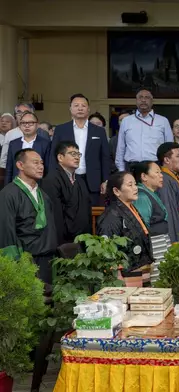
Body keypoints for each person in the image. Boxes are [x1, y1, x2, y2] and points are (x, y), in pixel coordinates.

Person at [0, 148, 57, 392]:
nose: (41, 166)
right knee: (26, 312)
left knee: (43, 312)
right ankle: (22, 361)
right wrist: (16, 266)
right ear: (20, 166)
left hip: (47, 259)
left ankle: (38, 359)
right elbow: (6, 231)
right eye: (35, 162)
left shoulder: (43, 194)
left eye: (42, 162)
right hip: (25, 260)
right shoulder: (9, 194)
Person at [49, 94, 110, 205]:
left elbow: (105, 157)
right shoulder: (61, 129)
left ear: (88, 109)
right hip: (66, 178)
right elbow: (54, 155)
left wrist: (105, 180)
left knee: (91, 213)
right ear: (70, 109)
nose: (80, 108)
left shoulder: (99, 131)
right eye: (76, 105)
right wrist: (54, 179)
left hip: (92, 179)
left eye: (83, 105)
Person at [97, 172, 153, 286]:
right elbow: (106, 251)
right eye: (130, 185)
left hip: (141, 268)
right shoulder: (111, 216)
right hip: (126, 275)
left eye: (135, 184)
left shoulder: (131, 208)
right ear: (116, 191)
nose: (135, 188)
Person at [41, 141, 92, 246]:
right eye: (73, 154)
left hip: (83, 237)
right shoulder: (51, 180)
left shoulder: (80, 180)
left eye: (78, 154)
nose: (77, 157)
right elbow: (55, 215)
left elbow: (86, 209)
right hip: (63, 239)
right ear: (60, 157)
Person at [131, 161, 171, 283]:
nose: (161, 175)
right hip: (154, 243)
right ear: (144, 177)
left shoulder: (150, 193)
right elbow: (143, 227)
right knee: (156, 281)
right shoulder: (142, 196)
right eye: (157, 172)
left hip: (160, 241)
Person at [115, 88, 173, 171]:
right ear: (136, 100)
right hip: (132, 167)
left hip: (155, 167)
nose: (143, 100)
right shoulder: (126, 121)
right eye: (140, 97)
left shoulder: (163, 121)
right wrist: (121, 170)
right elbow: (120, 148)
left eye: (147, 97)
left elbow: (169, 148)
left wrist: (166, 169)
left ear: (152, 101)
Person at [157, 142, 179, 243]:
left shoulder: (173, 177)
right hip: (176, 236)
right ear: (167, 160)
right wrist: (174, 241)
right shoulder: (164, 180)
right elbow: (170, 213)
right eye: (178, 156)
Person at [6, 112, 51, 185]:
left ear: (37, 125)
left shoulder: (45, 144)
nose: (26, 126)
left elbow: (47, 168)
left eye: (30, 123)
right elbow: (9, 169)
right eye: (23, 123)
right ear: (20, 126)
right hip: (16, 185)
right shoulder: (13, 144)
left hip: (38, 185)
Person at [0, 103, 49, 169]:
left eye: (26, 112)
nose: (22, 115)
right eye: (19, 112)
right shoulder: (10, 134)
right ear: (15, 116)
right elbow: (4, 159)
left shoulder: (42, 133)